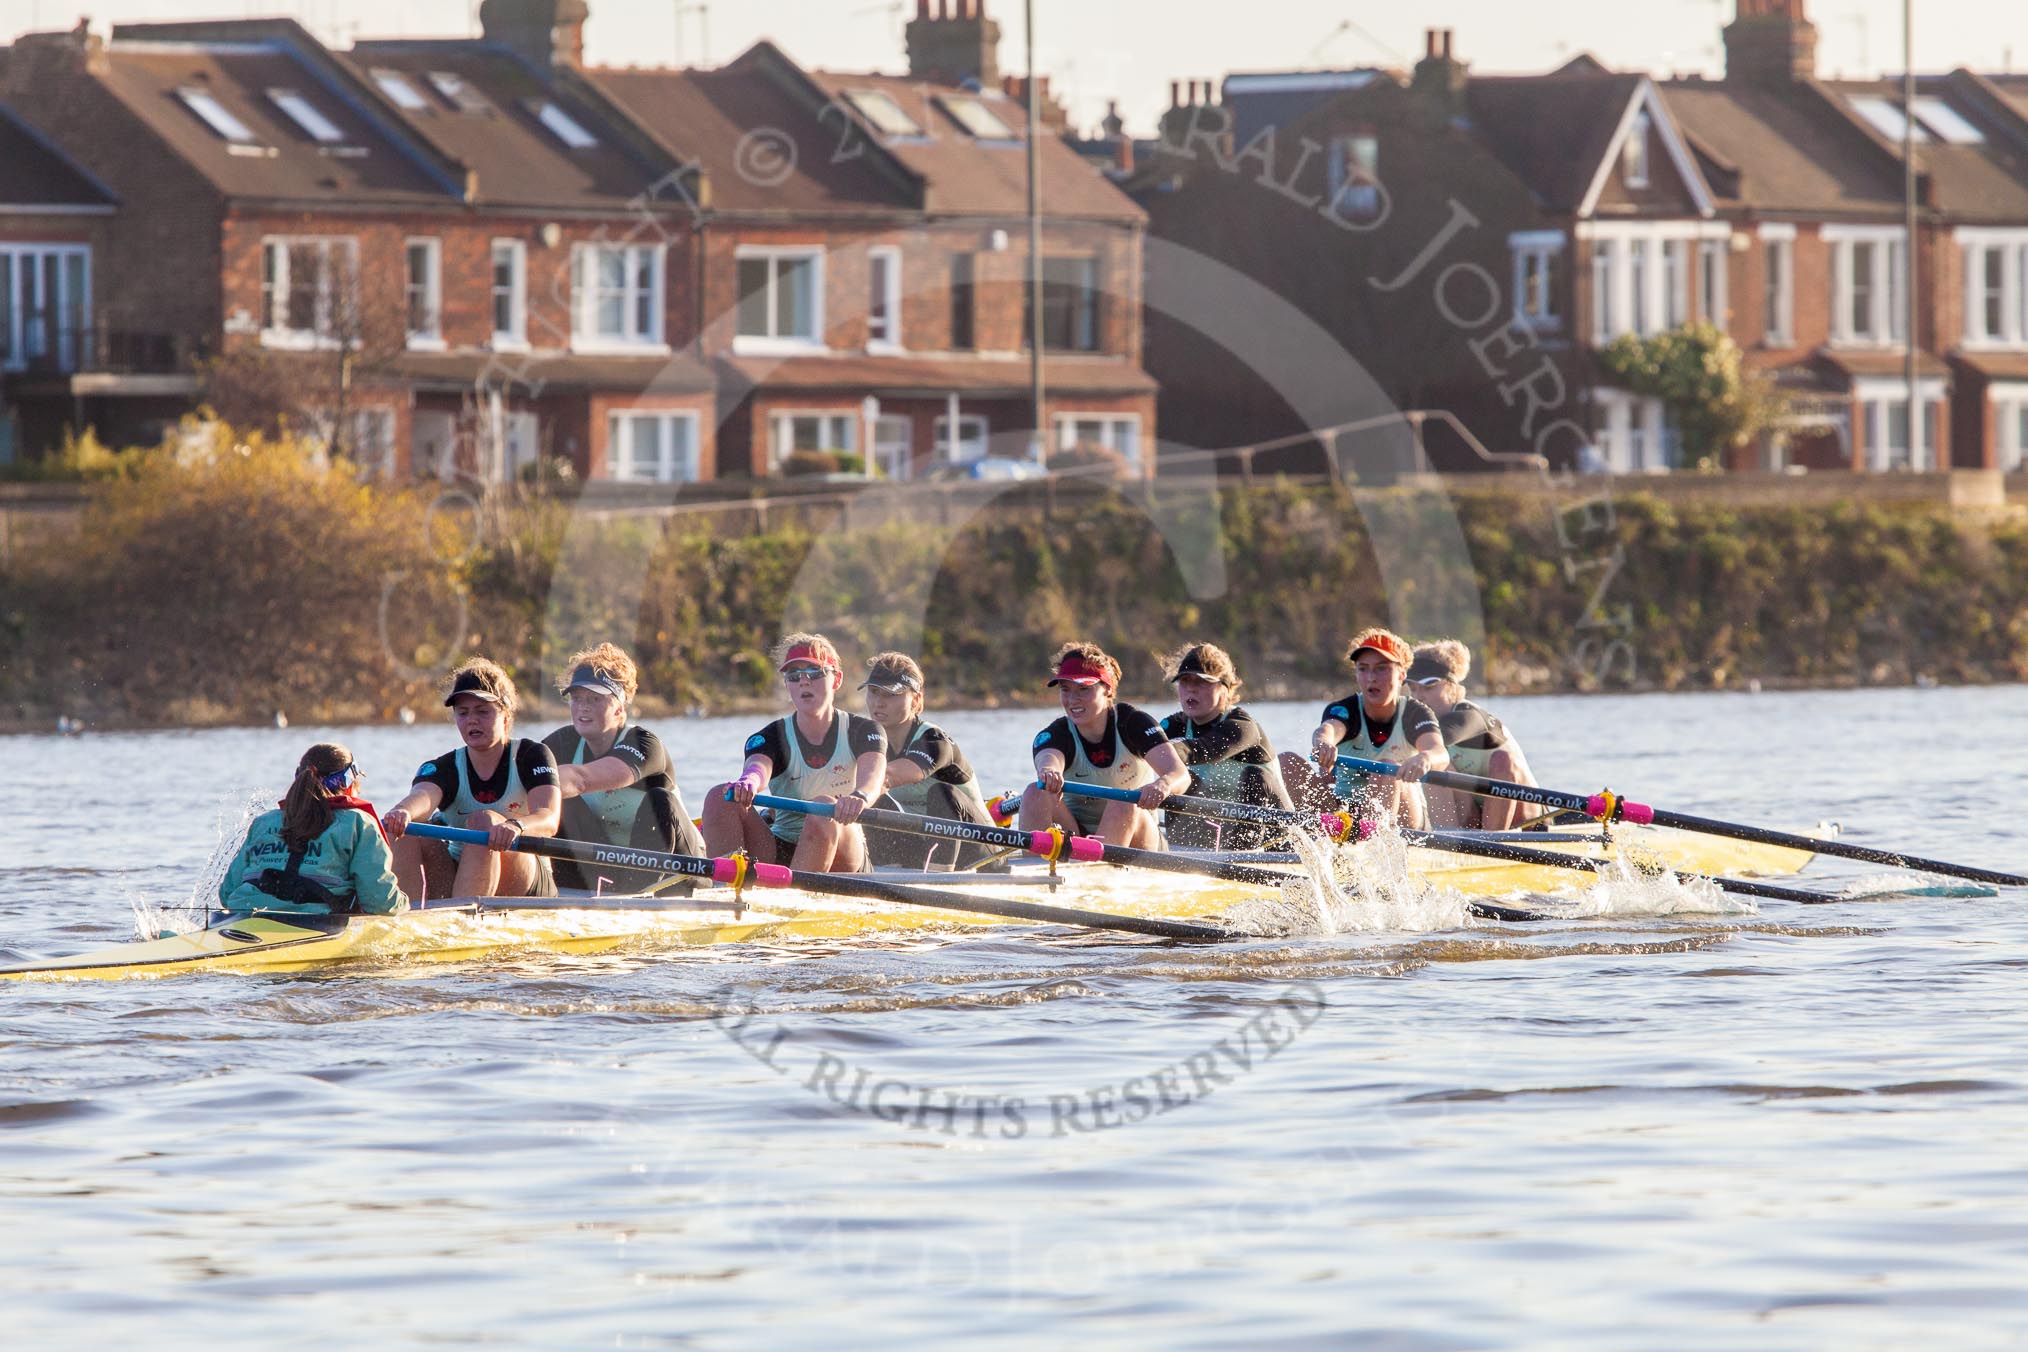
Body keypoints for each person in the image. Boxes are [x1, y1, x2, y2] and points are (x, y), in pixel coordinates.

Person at [701, 633, 886, 872]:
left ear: (836, 680)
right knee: (720, 796)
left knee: (823, 808)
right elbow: (758, 767)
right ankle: (726, 890)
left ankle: (792, 896)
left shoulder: (864, 730)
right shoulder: (770, 737)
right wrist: (748, 781)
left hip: (843, 848)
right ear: (787, 685)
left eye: (815, 673)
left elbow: (873, 776)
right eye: (794, 676)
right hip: (782, 845)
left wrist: (860, 797)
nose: (804, 682)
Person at [382, 658, 562, 900]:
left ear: (506, 716)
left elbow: (549, 819)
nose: (472, 721)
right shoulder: (443, 767)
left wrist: (515, 826)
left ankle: (460, 919)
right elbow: (422, 797)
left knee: (484, 821)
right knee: (404, 828)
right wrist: (402, 811)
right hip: (461, 875)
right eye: (463, 713)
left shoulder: (532, 755)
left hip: (526, 878)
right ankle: (405, 921)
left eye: (483, 712)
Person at [541, 642, 707, 893]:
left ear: (620, 708)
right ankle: (562, 892)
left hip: (679, 871)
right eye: (577, 698)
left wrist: (536, 784)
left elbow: (581, 780)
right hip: (610, 869)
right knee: (559, 802)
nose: (583, 707)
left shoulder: (645, 744)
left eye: (595, 699)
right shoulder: (562, 743)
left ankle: (637, 897)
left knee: (660, 800)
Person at [1021, 641, 1192, 849]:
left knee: (1123, 801)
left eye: (1084, 689)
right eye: (1066, 689)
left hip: (1137, 838)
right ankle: (1032, 870)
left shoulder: (1134, 723)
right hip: (1078, 835)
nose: (1073, 700)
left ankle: (1094, 870)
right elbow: (1048, 759)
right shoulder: (1056, 734)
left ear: (1107, 690)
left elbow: (1180, 775)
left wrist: (1162, 785)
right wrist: (1049, 772)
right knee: (1034, 792)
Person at [1279, 627, 1448, 829]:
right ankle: (1309, 838)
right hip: (1344, 816)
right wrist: (1323, 743)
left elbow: (1439, 752)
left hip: (1404, 818)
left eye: (1381, 668)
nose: (1371, 677)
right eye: (1363, 668)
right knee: (1286, 762)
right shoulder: (1344, 710)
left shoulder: (1415, 713)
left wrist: (1425, 758)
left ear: (1402, 674)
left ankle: (1369, 845)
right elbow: (1328, 730)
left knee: (1386, 768)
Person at [218, 743, 408, 914]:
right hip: (317, 925)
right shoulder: (358, 823)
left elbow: (227, 894)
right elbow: (379, 902)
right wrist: (406, 906)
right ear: (348, 783)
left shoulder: (264, 822)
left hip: (243, 918)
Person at [856, 651, 997, 868]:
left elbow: (887, 776)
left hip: (981, 850)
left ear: (916, 699)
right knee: (875, 803)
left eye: (891, 694)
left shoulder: (934, 740)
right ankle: (879, 871)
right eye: (874, 692)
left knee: (940, 793)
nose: (878, 703)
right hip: (929, 844)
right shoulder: (870, 741)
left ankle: (938, 880)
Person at [1155, 642, 1294, 850]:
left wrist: (1156, 752)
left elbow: (1201, 749)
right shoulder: (1174, 726)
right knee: (1182, 780)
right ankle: (1179, 852)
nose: (1191, 688)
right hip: (1217, 831)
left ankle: (1245, 855)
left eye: (1201, 682)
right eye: (1185, 681)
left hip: (1274, 836)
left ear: (1224, 688)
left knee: (1257, 776)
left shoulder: (1243, 727)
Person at [1407, 640, 1538, 830]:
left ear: (1451, 685)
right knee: (1435, 766)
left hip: (1525, 818)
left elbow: (1443, 734)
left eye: (1428, 687)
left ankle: (1492, 844)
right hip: (1476, 814)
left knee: (1503, 759)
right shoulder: (1421, 725)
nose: (1419, 697)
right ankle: (1446, 843)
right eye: (1413, 688)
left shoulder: (1471, 717)